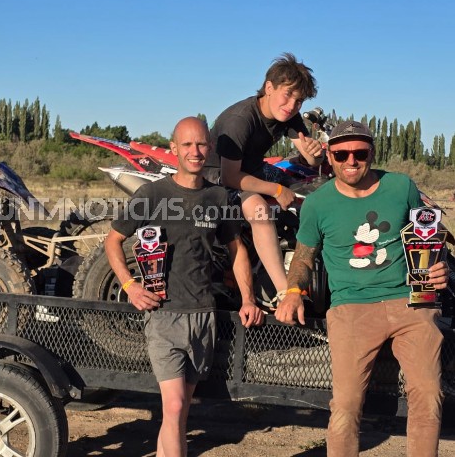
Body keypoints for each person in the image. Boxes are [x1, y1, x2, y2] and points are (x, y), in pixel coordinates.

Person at [275, 120, 450, 456]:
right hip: (351, 308)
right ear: (329, 155)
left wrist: (437, 264)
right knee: (346, 403)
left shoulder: (401, 187)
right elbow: (302, 258)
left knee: (428, 394)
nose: (351, 160)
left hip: (410, 302)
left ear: (372, 152)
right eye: (341, 154)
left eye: (359, 152)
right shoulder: (317, 204)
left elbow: (428, 236)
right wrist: (293, 292)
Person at [105, 116, 264, 457]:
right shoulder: (153, 193)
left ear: (209, 148)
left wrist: (248, 299)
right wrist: (131, 285)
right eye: (187, 145)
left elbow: (237, 250)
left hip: (203, 314)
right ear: (173, 149)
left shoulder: (218, 197)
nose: (195, 151)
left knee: (179, 411)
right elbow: (113, 240)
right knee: (175, 406)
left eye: (201, 144)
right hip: (163, 315)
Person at [205, 52, 324, 299]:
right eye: (288, 94)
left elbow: (309, 155)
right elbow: (229, 177)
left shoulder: (287, 116)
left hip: (253, 168)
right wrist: (277, 190)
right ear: (269, 88)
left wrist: (316, 156)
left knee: (307, 187)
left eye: (299, 100)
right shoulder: (241, 119)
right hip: (216, 176)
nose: (292, 105)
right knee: (259, 208)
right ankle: (283, 290)